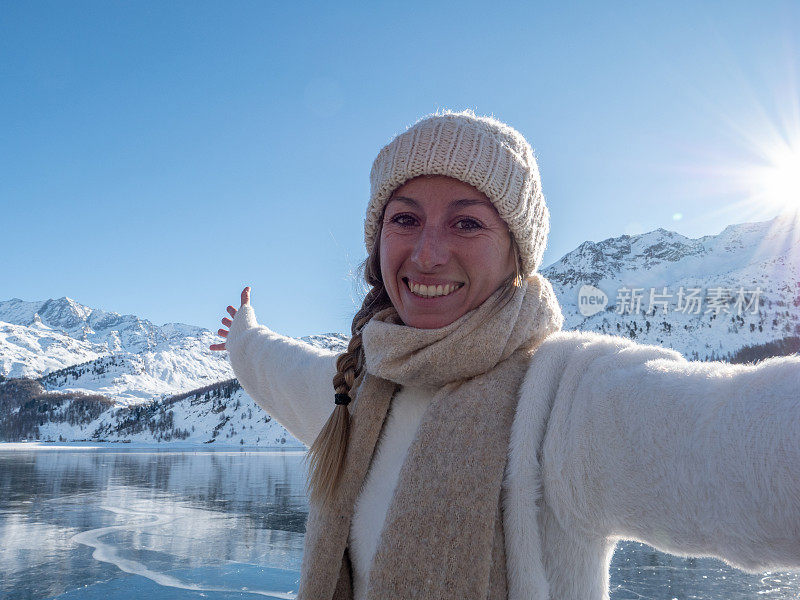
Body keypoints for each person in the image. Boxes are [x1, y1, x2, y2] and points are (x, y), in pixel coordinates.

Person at [210, 109, 800, 600]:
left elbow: (738, 436)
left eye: (467, 222)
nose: (428, 253)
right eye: (405, 219)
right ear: (377, 242)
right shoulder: (359, 391)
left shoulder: (570, 400)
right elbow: (277, 369)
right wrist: (243, 336)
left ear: (518, 255)